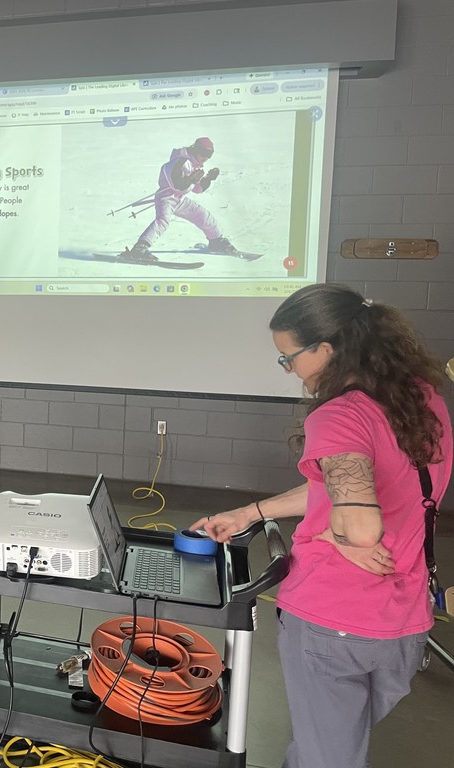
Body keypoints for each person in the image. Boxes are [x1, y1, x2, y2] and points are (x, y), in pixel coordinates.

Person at [191, 284, 452, 768]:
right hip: (402, 622)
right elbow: (349, 489)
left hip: (334, 622)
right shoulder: (420, 399)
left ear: (326, 349)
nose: (289, 370)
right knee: (326, 743)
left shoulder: (340, 416)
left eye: (289, 357)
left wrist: (336, 532)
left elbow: (359, 524)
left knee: (327, 757)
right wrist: (250, 514)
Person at [120, 137, 247, 264]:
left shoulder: (194, 165)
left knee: (203, 215)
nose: (206, 158)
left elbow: (197, 189)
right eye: (204, 153)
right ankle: (139, 248)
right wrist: (191, 178)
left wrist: (208, 179)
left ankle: (216, 241)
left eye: (210, 155)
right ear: (196, 150)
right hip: (166, 199)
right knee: (163, 221)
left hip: (179, 200)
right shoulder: (179, 161)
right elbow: (176, 184)